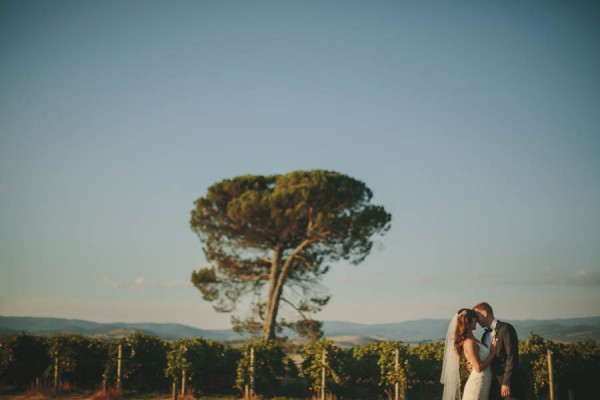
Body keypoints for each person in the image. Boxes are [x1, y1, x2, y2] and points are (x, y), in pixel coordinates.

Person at [473, 302, 524, 400]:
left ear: (484, 313)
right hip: (492, 386)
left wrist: (506, 383)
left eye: (477, 315)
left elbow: (512, 357)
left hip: (509, 387)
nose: (475, 319)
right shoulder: (485, 336)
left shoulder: (506, 329)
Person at [441, 308, 496, 400]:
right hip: (478, 383)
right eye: (474, 318)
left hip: (484, 381)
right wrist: (493, 353)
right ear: (469, 321)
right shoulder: (469, 342)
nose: (476, 320)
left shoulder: (472, 339)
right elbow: (478, 368)